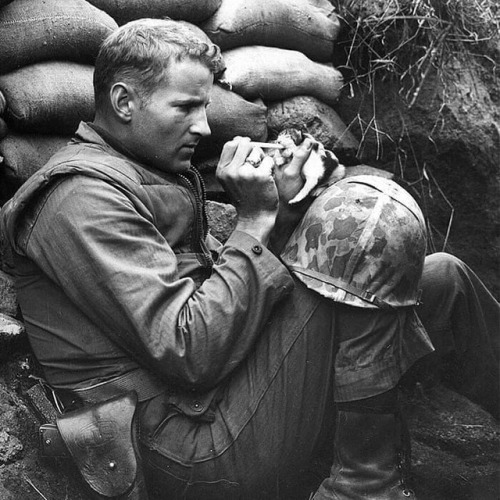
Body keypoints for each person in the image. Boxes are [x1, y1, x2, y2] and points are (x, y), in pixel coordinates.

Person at [0, 19, 498, 500]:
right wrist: (255, 221)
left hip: (225, 398)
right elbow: (189, 352)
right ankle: (363, 486)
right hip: (189, 448)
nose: (204, 125)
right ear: (124, 102)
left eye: (206, 106)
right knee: (362, 228)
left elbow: (226, 304)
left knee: (443, 279)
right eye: (186, 107)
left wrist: (281, 216)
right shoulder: (78, 199)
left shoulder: (145, 174)